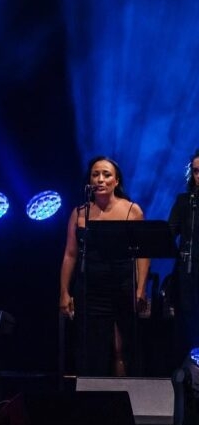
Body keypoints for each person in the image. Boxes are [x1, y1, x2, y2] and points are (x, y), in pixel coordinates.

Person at [59, 156, 148, 376]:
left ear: (116, 181)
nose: (100, 179)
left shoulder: (132, 210)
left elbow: (142, 254)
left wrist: (141, 289)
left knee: (120, 347)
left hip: (121, 286)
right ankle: (92, 399)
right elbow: (70, 254)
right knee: (91, 349)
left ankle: (125, 397)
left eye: (106, 175)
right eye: (95, 174)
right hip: (90, 289)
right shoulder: (79, 213)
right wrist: (64, 292)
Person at [169, 149, 199, 362]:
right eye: (196, 172)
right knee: (188, 323)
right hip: (187, 271)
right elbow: (169, 233)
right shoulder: (185, 201)